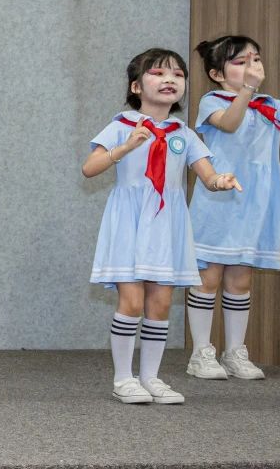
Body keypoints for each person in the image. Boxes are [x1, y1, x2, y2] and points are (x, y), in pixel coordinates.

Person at [82, 48, 240, 404]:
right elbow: (89, 168)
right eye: (158, 73)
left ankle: (151, 377)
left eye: (178, 75)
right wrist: (125, 148)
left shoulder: (183, 133)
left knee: (161, 302)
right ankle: (123, 379)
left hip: (167, 225)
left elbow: (208, 175)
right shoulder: (121, 126)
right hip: (129, 222)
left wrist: (222, 181)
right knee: (132, 300)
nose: (170, 80)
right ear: (136, 86)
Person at [185, 33, 280, 380]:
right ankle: (201, 352)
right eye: (241, 61)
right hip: (218, 202)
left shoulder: (269, 105)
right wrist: (246, 90)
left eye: (256, 59)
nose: (252, 66)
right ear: (217, 74)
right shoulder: (212, 101)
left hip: (257, 204)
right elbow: (230, 123)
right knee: (208, 276)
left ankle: (235, 352)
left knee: (241, 279)